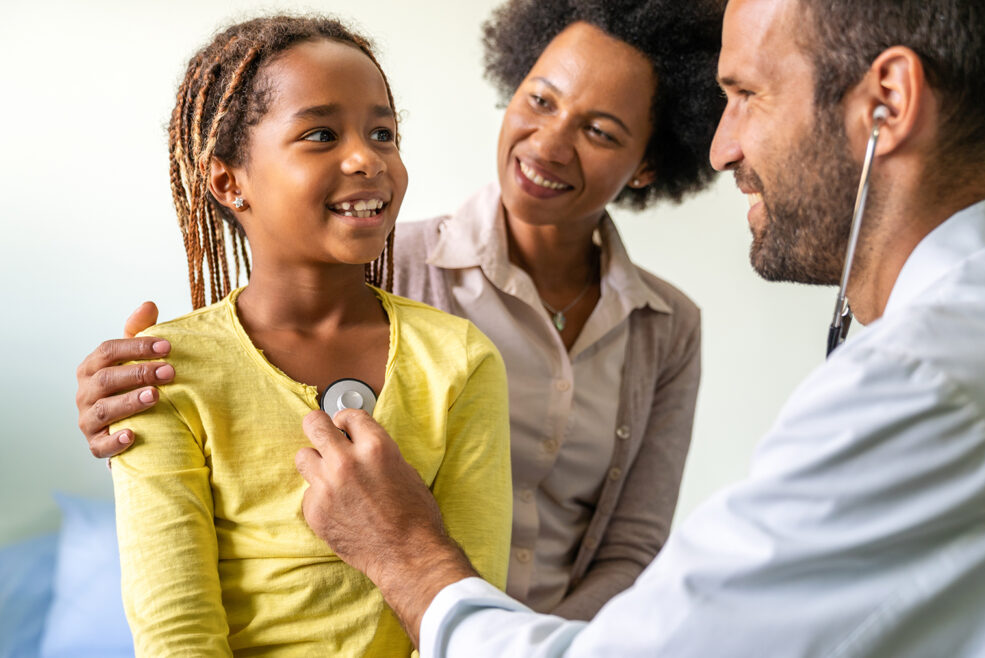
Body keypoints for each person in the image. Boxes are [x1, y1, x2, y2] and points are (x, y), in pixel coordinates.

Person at [295, 0, 985, 655]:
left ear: (889, 101)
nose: (720, 149)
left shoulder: (928, 386)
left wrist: (415, 565)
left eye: (747, 93)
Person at [74, 0, 726, 620]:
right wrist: (125, 397)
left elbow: (633, 548)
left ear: (647, 164)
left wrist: (513, 644)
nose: (550, 144)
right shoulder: (377, 263)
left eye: (599, 131)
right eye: (540, 100)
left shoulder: (668, 327)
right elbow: (241, 388)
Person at [107, 16, 511, 656]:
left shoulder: (459, 361)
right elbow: (177, 634)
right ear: (229, 182)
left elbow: (469, 608)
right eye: (321, 134)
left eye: (384, 133)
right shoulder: (163, 375)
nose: (367, 158)